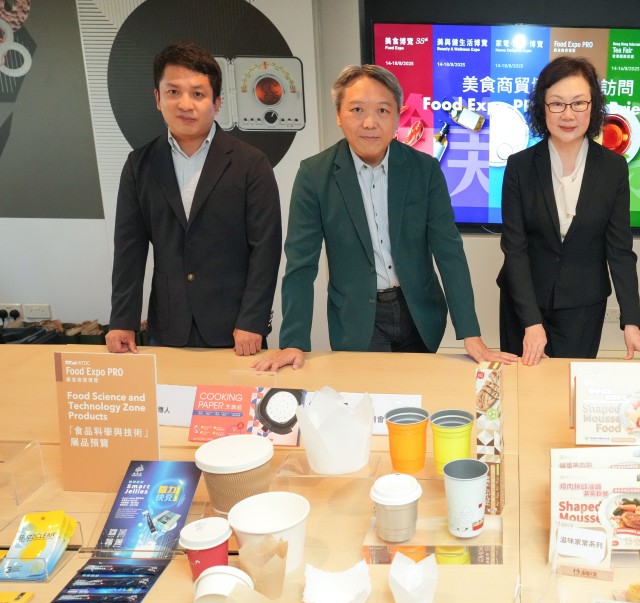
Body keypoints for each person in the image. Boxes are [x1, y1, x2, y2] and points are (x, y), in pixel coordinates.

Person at [254, 65, 513, 371]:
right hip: (356, 317)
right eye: (357, 110)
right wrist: (293, 341)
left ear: (398, 117)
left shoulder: (424, 169)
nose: (369, 123)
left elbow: (449, 251)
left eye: (382, 110)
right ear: (338, 115)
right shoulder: (314, 175)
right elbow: (301, 264)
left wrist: (471, 333)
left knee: (420, 390)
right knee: (369, 393)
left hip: (418, 311)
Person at [107, 42, 281, 357]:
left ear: (217, 102)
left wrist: (253, 320)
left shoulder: (251, 163)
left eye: (198, 94)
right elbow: (129, 251)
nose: (185, 104)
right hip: (168, 326)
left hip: (237, 330)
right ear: (157, 98)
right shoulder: (139, 165)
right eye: (173, 92)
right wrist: (122, 320)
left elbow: (265, 249)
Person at [498, 56, 640, 366]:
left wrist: (631, 322)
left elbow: (619, 250)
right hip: (522, 304)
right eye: (557, 103)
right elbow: (515, 249)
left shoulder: (613, 168)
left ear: (593, 106)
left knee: (571, 386)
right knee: (522, 386)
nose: (568, 114)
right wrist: (531, 323)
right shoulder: (519, 166)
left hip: (583, 306)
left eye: (578, 103)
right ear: (542, 107)